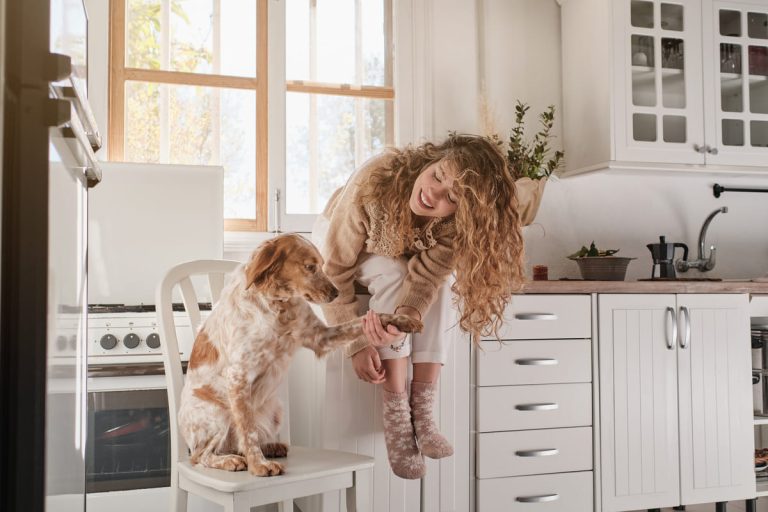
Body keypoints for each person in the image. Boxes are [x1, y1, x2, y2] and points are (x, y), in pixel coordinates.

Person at [311, 133, 531, 479]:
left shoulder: (455, 226)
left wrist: (406, 318)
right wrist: (355, 342)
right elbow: (333, 270)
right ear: (433, 160)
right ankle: (397, 414)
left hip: (400, 247)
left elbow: (426, 278)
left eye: (451, 198)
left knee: (441, 287)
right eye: (437, 176)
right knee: (391, 273)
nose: (433, 193)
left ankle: (424, 413)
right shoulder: (374, 183)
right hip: (339, 240)